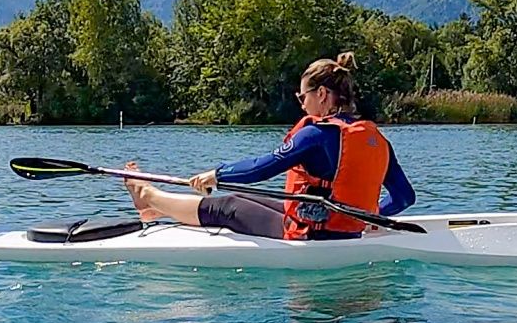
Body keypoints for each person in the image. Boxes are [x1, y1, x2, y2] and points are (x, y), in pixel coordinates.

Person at [123, 53, 416, 239]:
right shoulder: (375, 138)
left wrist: (217, 174)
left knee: (228, 205)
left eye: (303, 97)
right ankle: (158, 210)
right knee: (246, 197)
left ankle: (148, 195)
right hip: (343, 230)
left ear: (323, 94)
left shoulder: (316, 134)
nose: (302, 104)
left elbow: (263, 168)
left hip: (312, 235)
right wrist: (367, 217)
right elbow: (404, 197)